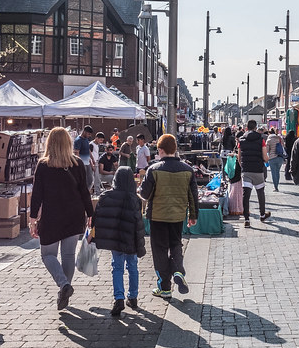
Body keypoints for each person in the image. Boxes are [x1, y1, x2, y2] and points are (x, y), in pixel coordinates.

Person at [29, 127, 94, 310]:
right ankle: (65, 291)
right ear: (68, 143)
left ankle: (64, 285)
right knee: (68, 255)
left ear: (50, 143)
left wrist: (33, 219)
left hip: (52, 216)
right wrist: (90, 214)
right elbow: (84, 191)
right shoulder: (77, 163)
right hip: (74, 214)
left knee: (47, 255)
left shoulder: (43, 165)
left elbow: (37, 195)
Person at [139, 135, 199, 299]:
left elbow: (145, 194)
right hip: (178, 216)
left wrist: (140, 190)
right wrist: (193, 215)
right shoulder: (188, 170)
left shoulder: (154, 169)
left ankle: (164, 287)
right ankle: (178, 270)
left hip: (157, 216)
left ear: (160, 150)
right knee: (176, 244)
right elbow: (193, 195)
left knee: (159, 250)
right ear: (175, 149)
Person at [92, 167, 146, 317]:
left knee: (117, 267)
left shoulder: (106, 196)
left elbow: (98, 218)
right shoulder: (135, 199)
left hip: (115, 238)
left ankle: (119, 298)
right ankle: (133, 297)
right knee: (133, 266)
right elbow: (139, 223)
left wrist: (95, 235)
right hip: (130, 239)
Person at [238, 120, 270, 227]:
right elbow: (265, 157)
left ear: (246, 128)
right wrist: (267, 160)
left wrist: (243, 166)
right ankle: (262, 215)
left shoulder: (241, 140)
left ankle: (246, 219)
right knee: (260, 193)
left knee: (246, 195)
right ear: (256, 128)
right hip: (258, 170)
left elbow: (239, 158)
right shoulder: (261, 139)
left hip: (246, 170)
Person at [73, 125, 96, 192]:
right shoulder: (78, 140)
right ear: (84, 132)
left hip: (88, 163)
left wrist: (92, 160)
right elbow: (76, 153)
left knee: (90, 180)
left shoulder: (86, 139)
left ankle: (86, 192)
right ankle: (82, 193)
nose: (89, 135)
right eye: (88, 134)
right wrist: (78, 164)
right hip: (82, 163)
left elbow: (88, 150)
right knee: (83, 180)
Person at [265, 127, 285, 192]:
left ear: (269, 133)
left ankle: (276, 187)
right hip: (280, 157)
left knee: (273, 173)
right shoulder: (280, 138)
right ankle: (277, 184)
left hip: (272, 158)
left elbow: (267, 150)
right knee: (277, 172)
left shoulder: (269, 140)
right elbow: (283, 146)